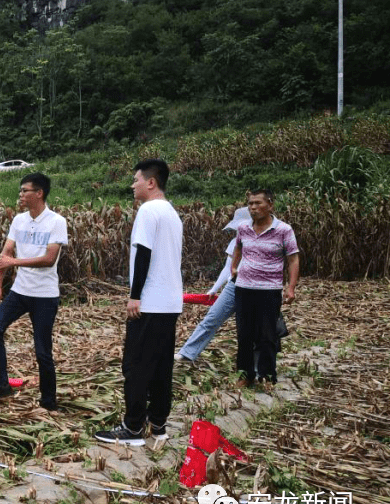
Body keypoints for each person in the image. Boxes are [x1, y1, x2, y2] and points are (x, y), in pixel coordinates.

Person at [95, 159, 183, 446]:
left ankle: (132, 428)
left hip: (150, 302)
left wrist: (135, 296)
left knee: (135, 365)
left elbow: (143, 254)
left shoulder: (148, 211)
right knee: (160, 366)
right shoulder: (171, 213)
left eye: (136, 180)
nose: (132, 185)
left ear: (151, 182)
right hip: (169, 302)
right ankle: (157, 424)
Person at [0, 173, 68, 408]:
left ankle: (49, 401)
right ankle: (1, 386)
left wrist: (14, 263)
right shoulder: (18, 221)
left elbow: (50, 259)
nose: (20, 195)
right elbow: (6, 254)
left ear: (39, 193)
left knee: (42, 351)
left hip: (45, 296)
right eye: (20, 191)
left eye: (24, 191)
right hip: (20, 292)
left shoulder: (56, 221)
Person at [231, 189, 299, 389]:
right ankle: (246, 374)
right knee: (244, 335)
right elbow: (238, 248)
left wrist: (291, 287)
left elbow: (293, 258)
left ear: (270, 204)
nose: (253, 207)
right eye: (250, 204)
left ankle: (267, 375)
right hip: (244, 288)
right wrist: (234, 267)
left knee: (267, 335)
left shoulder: (283, 230)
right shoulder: (243, 228)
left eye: (258, 203)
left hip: (269, 290)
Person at [174, 207, 250, 363]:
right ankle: (188, 353)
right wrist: (214, 289)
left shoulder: (265, 238)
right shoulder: (235, 241)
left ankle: (258, 365)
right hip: (233, 287)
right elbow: (227, 268)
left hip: (254, 287)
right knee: (211, 319)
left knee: (253, 327)